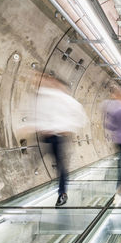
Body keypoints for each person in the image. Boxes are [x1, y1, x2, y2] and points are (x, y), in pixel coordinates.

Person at [35, 75, 88, 206]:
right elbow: (39, 114)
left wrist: (69, 129)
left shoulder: (69, 101)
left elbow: (81, 118)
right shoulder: (46, 97)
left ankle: (62, 193)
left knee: (61, 166)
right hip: (48, 136)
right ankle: (60, 191)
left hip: (60, 137)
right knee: (57, 165)